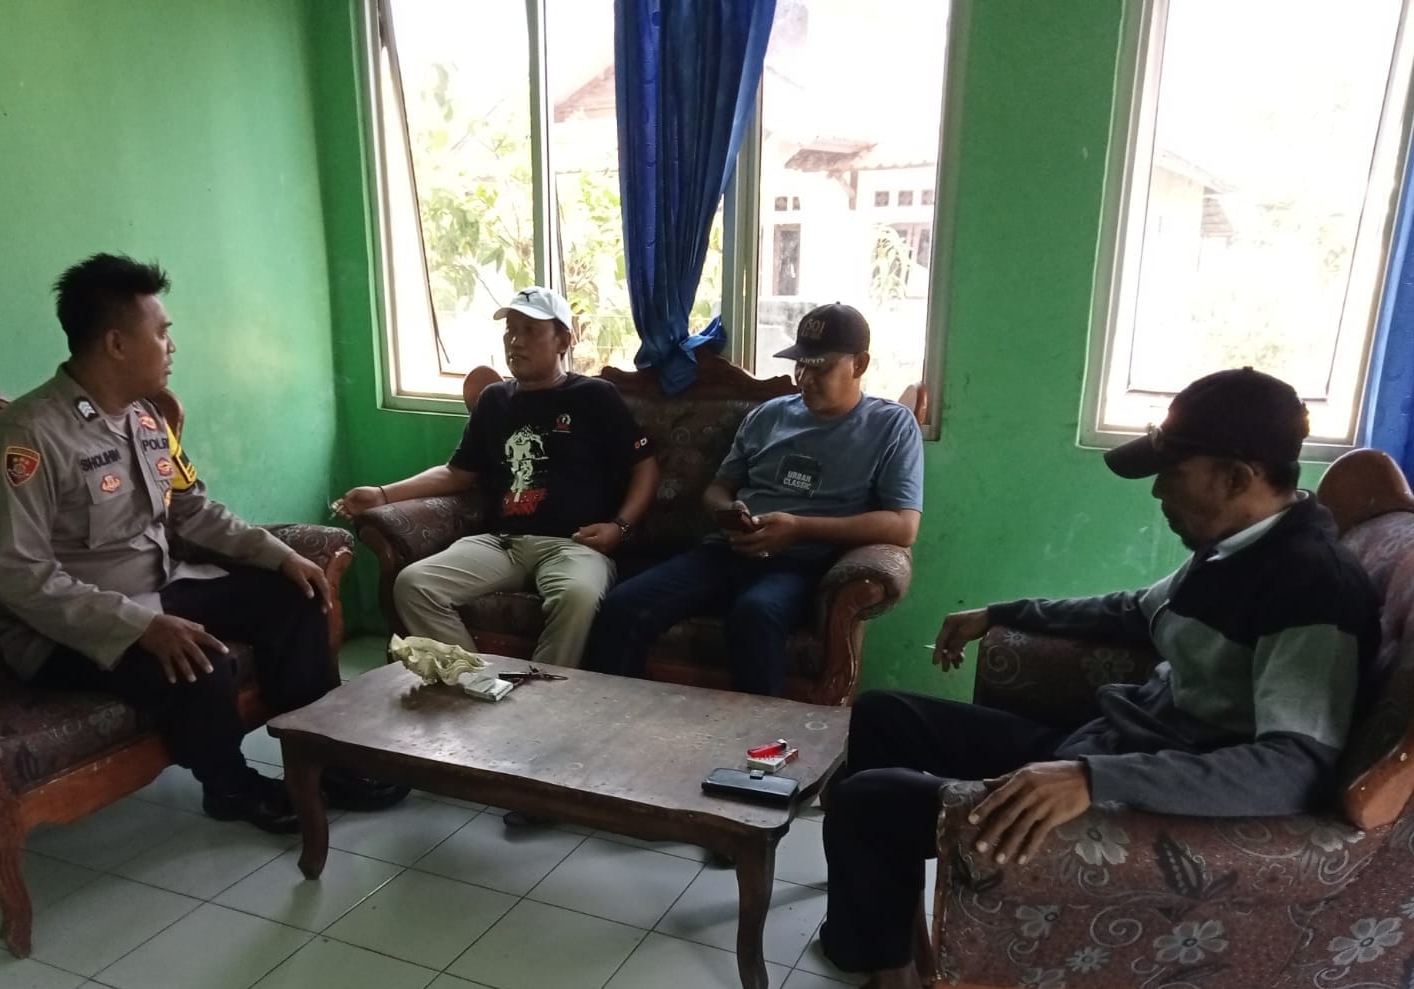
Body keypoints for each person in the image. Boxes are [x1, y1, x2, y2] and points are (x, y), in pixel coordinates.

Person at [818, 368, 1384, 989]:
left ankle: (890, 977)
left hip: (1138, 797)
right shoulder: (1235, 547)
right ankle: (869, 933)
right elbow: (1136, 611)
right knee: (881, 715)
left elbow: (1293, 767)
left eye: (1173, 473)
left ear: (1236, 477)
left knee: (869, 802)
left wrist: (1093, 779)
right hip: (1104, 748)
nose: (1158, 491)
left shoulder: (1312, 587)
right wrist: (1005, 613)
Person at [0, 253, 407, 835]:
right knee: (201, 662)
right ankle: (229, 787)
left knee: (295, 596)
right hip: (67, 630)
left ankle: (320, 758)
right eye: (162, 332)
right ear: (116, 344)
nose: (172, 346)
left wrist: (281, 556)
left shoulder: (146, 419)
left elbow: (193, 509)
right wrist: (138, 626)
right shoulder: (27, 437)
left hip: (161, 585)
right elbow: (19, 575)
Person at [583, 302, 924, 696]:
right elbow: (717, 488)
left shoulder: (890, 425)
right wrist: (728, 512)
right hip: (726, 550)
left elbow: (903, 526)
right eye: (800, 365)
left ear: (859, 364)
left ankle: (762, 735)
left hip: (800, 563)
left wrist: (798, 528)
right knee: (623, 606)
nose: (804, 379)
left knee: (755, 615)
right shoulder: (768, 415)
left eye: (820, 368)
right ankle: (612, 720)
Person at [335, 286, 659, 669]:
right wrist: (382, 494)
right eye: (510, 331)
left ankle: (543, 694)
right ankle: (480, 682)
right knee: (413, 584)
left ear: (563, 340)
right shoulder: (494, 400)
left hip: (574, 544)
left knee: (578, 595)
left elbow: (645, 465)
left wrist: (619, 527)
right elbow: (457, 473)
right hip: (501, 543)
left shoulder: (595, 396)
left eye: (530, 330)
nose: (515, 341)